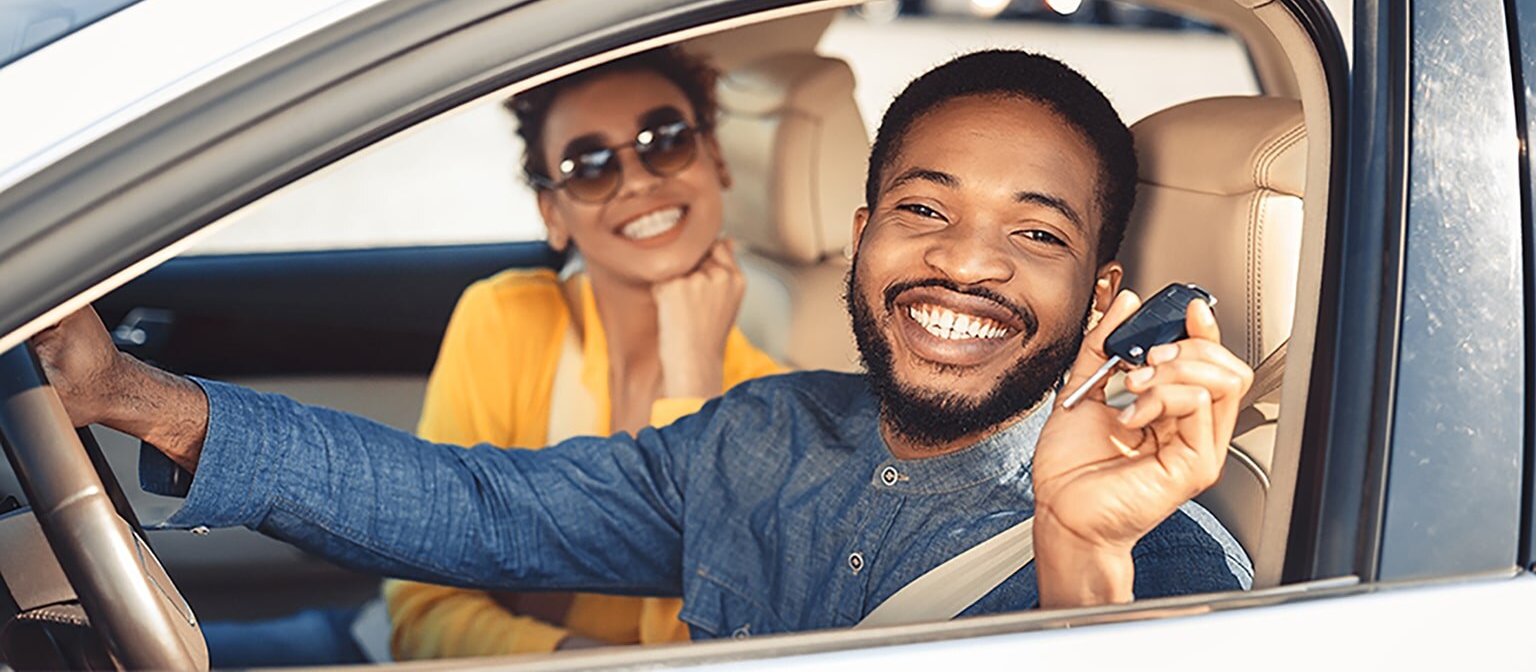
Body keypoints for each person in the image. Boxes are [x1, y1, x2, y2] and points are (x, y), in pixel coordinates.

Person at [32, 49, 1255, 640]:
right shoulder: (759, 431)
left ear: (1100, 299)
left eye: (1032, 233)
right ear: (860, 238)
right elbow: (474, 503)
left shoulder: (1164, 550)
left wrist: (1080, 556)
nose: (965, 261)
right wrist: (133, 392)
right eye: (924, 209)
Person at [383, 46, 782, 658]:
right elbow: (422, 609)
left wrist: (694, 386)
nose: (641, 180)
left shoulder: (772, 405)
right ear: (553, 213)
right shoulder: (505, 319)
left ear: (717, 160)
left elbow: (706, 650)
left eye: (667, 139)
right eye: (591, 165)